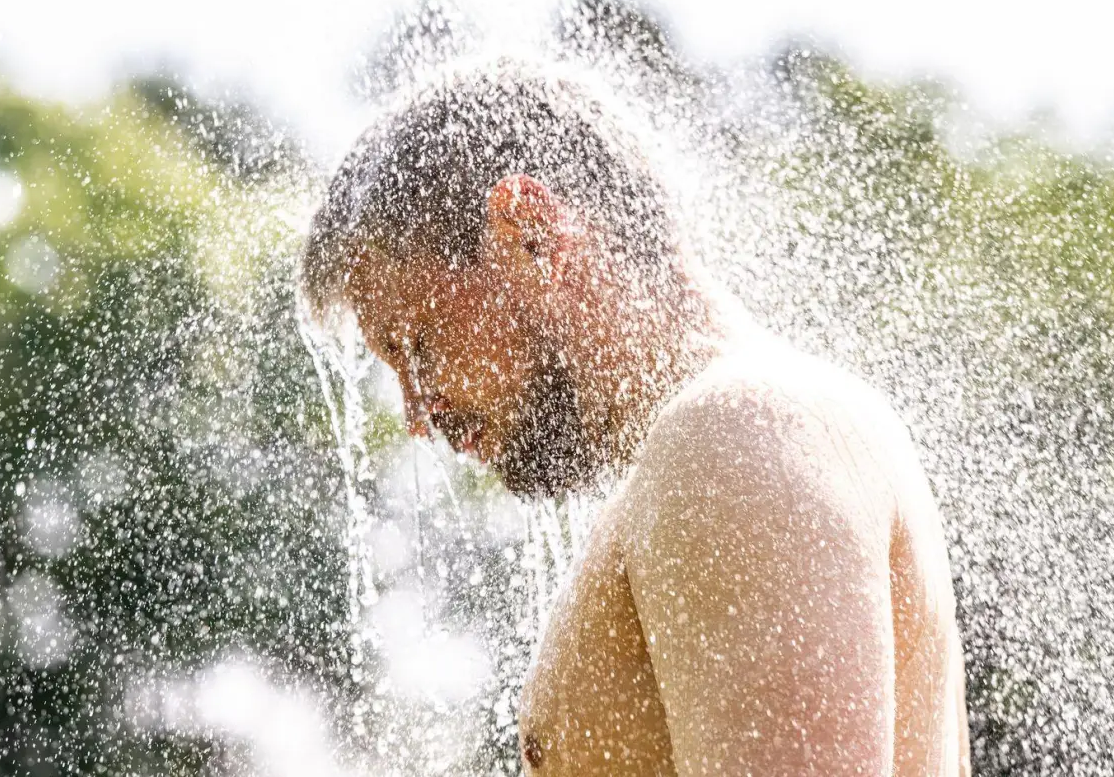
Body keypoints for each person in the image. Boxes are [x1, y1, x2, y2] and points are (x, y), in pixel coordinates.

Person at [299, 60, 970, 776]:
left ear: (530, 235)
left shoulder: (736, 434)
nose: (417, 413)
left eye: (419, 346)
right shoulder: (741, 439)